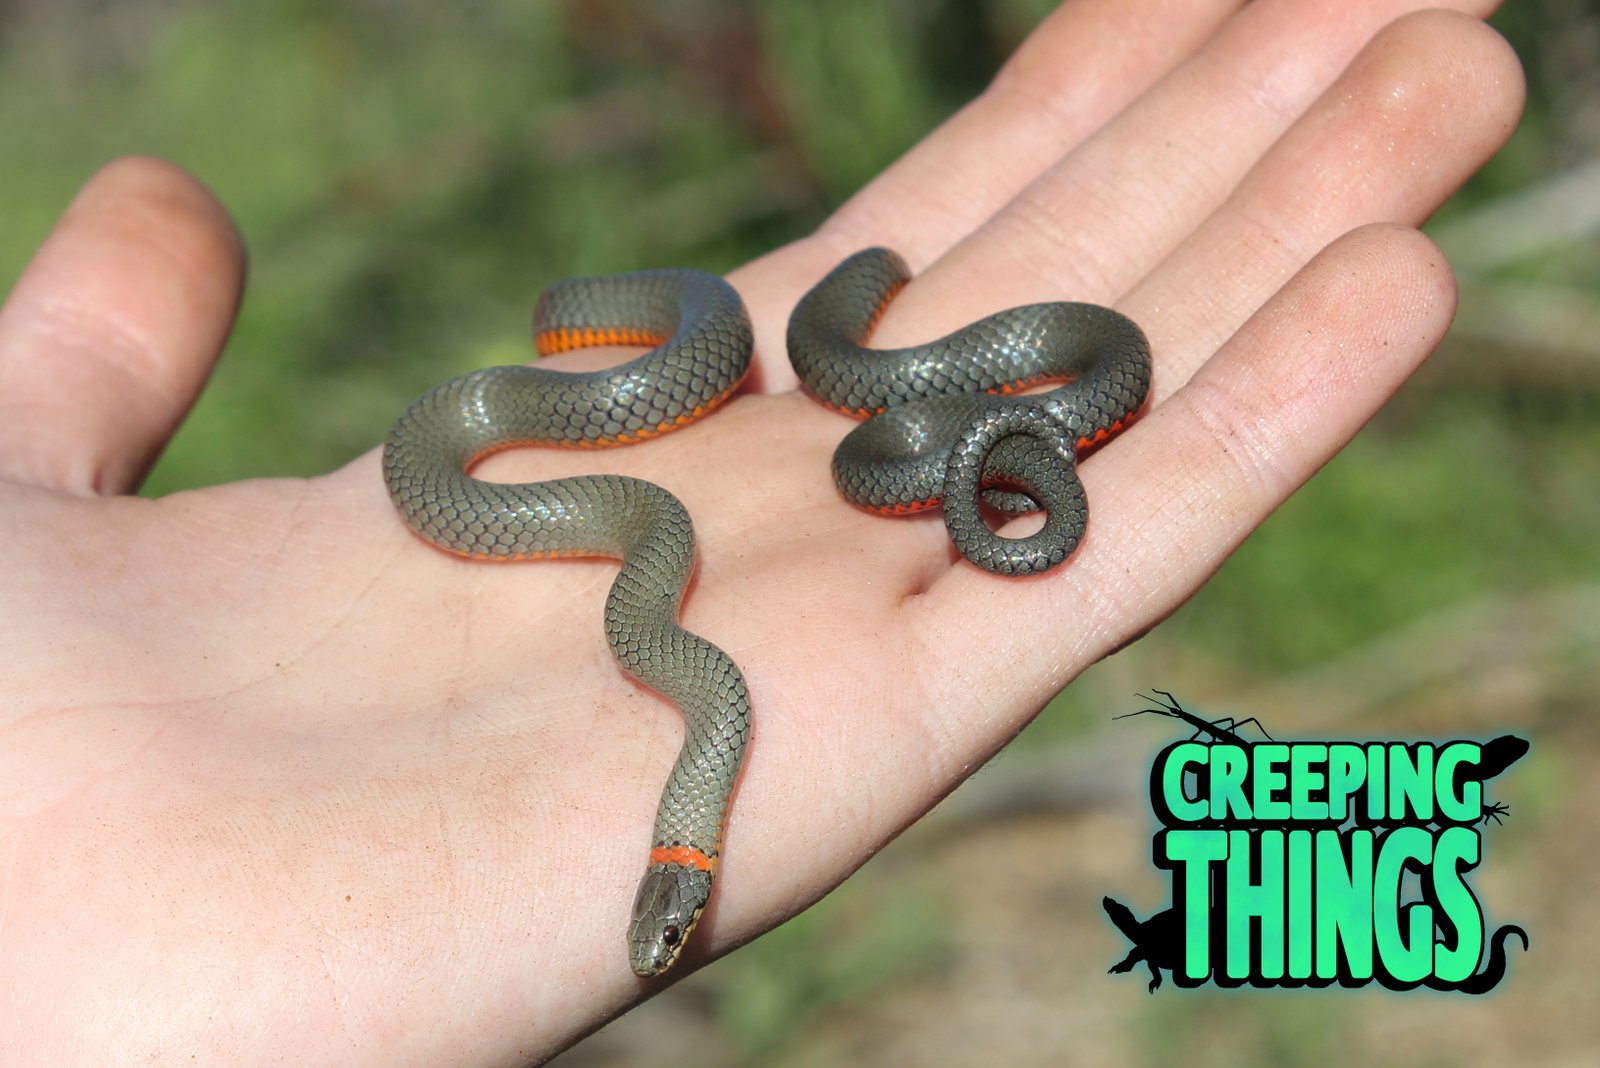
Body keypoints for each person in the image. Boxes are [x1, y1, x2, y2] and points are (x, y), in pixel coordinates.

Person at [0, 0, 1521, 1062]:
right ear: (693, 874)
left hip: (876, 387)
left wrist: (957, 410)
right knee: (719, 357)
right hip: (822, 402)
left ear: (688, 868)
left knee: (760, 348)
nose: (660, 942)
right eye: (667, 930)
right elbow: (704, 672)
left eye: (666, 927)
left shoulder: (683, 636)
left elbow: (720, 627)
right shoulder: (664, 642)